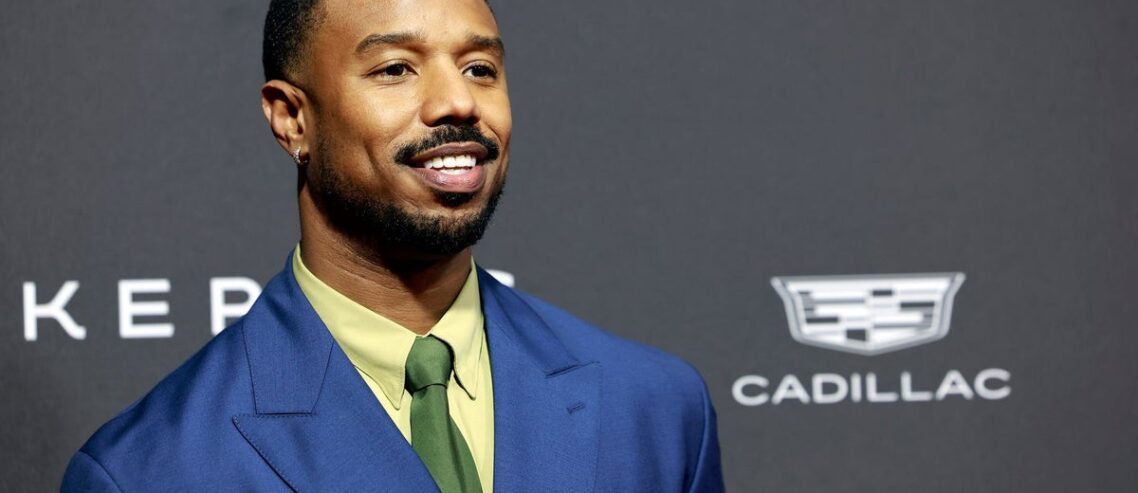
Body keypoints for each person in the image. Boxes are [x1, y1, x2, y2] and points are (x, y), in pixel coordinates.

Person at [61, 0, 724, 491]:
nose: (457, 101)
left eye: (480, 67)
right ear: (292, 118)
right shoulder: (149, 470)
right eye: (396, 68)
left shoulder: (657, 410)